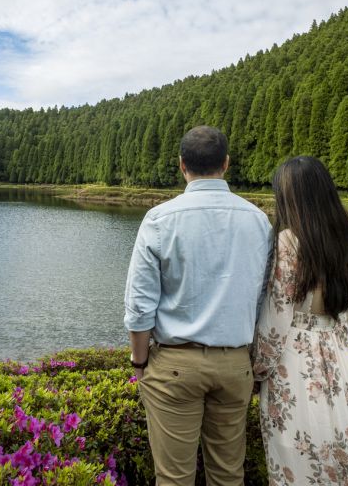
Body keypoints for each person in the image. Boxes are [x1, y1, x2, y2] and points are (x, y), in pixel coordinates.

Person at [124, 125, 272, 486]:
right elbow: (264, 296)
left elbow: (140, 305)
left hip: (175, 364)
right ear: (226, 163)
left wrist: (139, 361)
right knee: (228, 475)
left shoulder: (159, 219)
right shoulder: (258, 219)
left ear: (181, 165)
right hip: (236, 363)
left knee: (174, 479)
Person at [253, 156, 348, 485]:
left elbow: (276, 320)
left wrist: (257, 369)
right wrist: (344, 354)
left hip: (295, 363)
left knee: (300, 455)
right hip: (342, 359)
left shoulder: (287, 243)